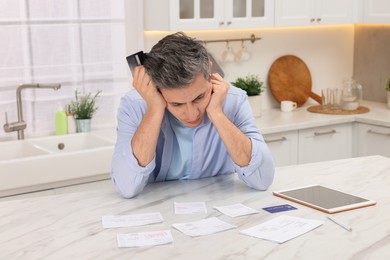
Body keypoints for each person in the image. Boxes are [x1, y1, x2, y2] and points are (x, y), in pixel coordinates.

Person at [111, 32, 275, 198]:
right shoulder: (135, 106)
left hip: (217, 208)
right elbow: (126, 187)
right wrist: (154, 109)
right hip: (158, 213)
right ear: (156, 89)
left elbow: (262, 179)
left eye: (199, 97)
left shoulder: (233, 100)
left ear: (209, 71)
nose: (192, 114)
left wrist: (217, 114)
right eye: (177, 104)